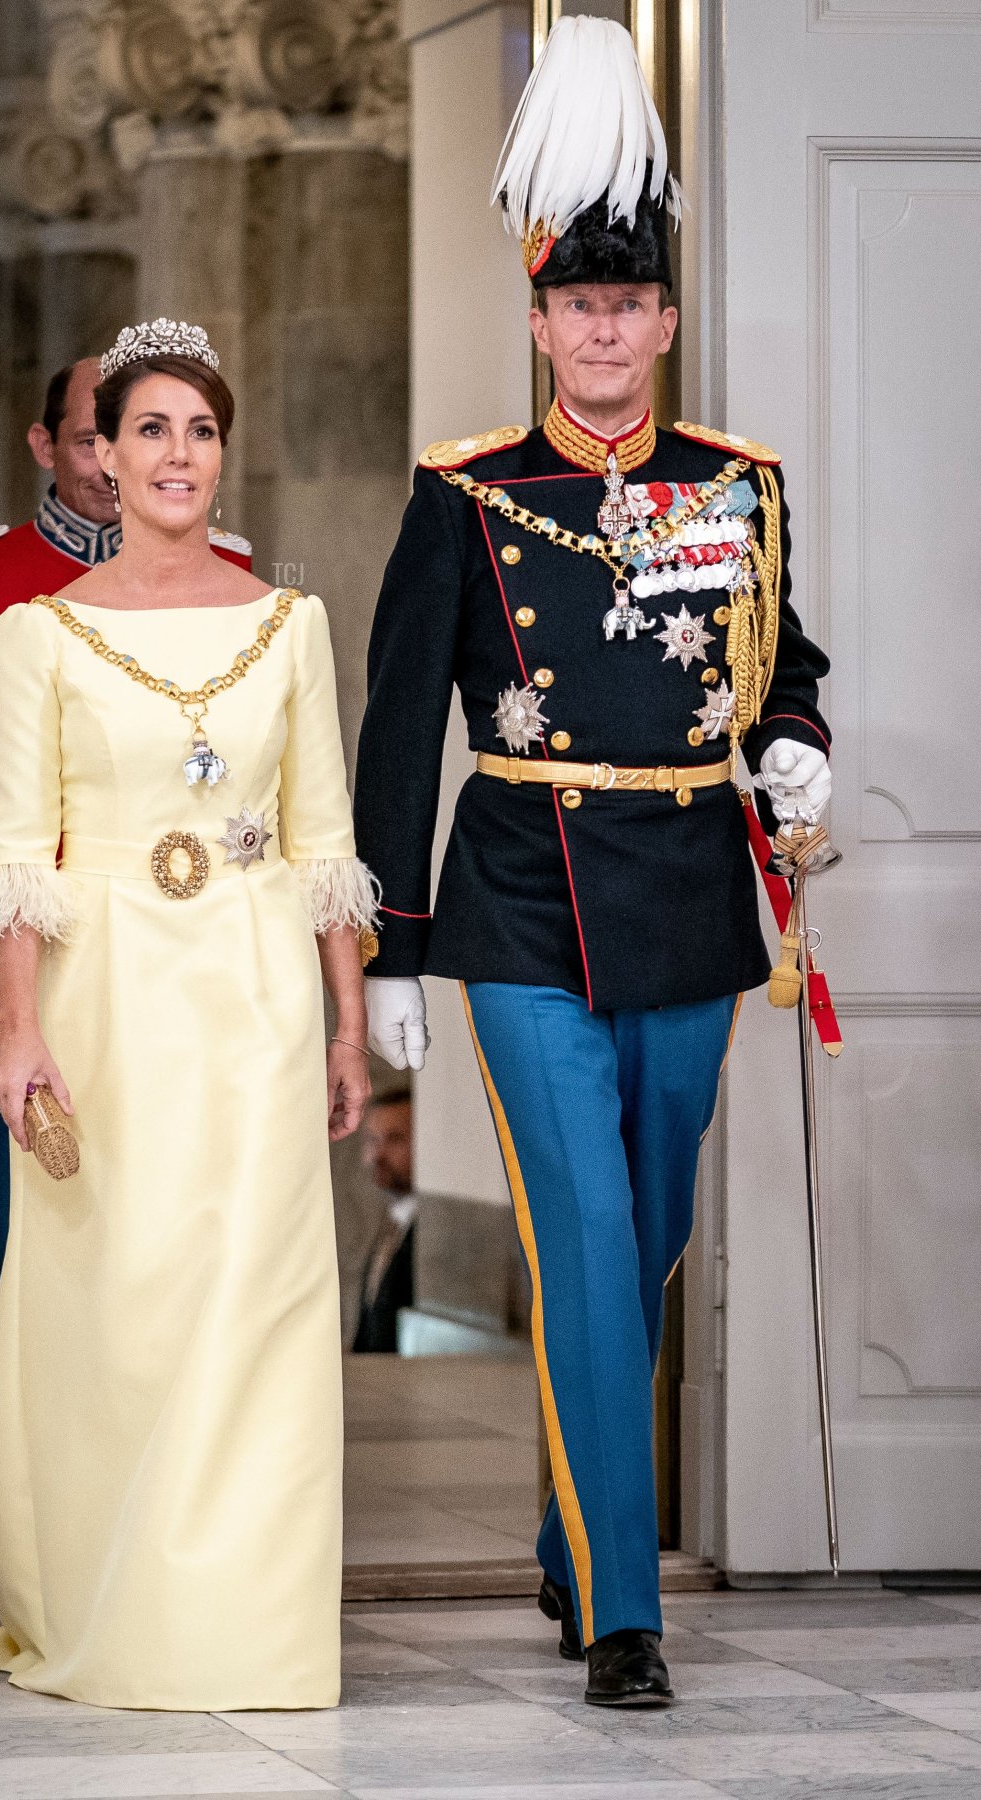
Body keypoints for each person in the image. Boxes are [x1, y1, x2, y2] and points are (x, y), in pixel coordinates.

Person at [353, 17, 832, 1708]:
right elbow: (401, 717)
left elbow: (788, 663)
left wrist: (795, 743)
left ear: (665, 321)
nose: (606, 327)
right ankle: (624, 1614)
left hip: (695, 892)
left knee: (647, 1230)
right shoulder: (468, 496)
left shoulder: (738, 487)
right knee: (581, 1231)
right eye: (578, 304)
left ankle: (578, 1524)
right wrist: (397, 948)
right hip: (523, 897)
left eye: (631, 305)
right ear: (544, 319)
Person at [0, 317, 378, 1711]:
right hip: (107, 995)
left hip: (255, 985)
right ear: (103, 454)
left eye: (200, 429)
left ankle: (252, 1632)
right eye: (149, 429)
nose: (177, 454)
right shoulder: (36, 636)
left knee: (258, 1299)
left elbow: (324, 843)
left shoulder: (292, 624)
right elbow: (18, 853)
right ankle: (114, 1606)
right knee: (121, 1306)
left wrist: (343, 1027)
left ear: (221, 452)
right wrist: (19, 1034)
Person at [0, 357, 253, 1281]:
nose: (107, 461)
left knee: (184, 1206)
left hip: (188, 930)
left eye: (124, 432)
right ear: (45, 445)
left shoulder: (238, 575)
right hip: (37, 945)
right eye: (90, 437)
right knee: (46, 1212)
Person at [353, 1086, 418, 1353]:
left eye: (394, 1139)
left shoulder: (434, 1233)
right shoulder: (391, 1222)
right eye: (372, 1140)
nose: (378, 1155)